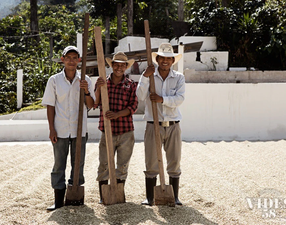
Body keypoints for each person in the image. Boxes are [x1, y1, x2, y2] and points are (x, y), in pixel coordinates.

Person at [42, 46, 95, 211]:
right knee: (59, 164)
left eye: (75, 57)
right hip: (61, 128)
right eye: (68, 57)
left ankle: (75, 197)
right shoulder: (54, 80)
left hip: (80, 129)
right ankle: (58, 201)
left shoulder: (85, 80)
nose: (71, 61)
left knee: (78, 163)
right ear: (63, 59)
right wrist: (52, 129)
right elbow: (50, 106)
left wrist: (86, 90)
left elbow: (91, 105)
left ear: (79, 60)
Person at [136, 43, 185, 206]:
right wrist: (144, 76)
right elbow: (141, 96)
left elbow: (180, 99)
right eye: (162, 58)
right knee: (151, 161)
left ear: (172, 61)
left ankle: (174, 196)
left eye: (168, 59)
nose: (165, 61)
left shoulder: (179, 77)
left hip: (172, 125)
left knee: (174, 161)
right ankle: (150, 198)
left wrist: (162, 99)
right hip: (153, 124)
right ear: (157, 59)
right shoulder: (150, 76)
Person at [94, 51, 138, 203]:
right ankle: (103, 196)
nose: (119, 68)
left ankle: (118, 194)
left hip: (126, 131)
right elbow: (95, 103)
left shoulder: (131, 85)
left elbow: (133, 107)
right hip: (107, 131)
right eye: (116, 64)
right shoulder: (102, 82)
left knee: (122, 165)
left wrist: (117, 114)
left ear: (126, 67)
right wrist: (99, 88)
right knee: (104, 163)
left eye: (122, 65)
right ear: (111, 65)